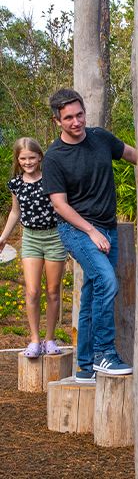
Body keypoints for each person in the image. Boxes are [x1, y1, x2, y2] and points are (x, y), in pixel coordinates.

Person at [42, 89, 137, 383]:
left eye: (79, 114)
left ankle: (84, 365)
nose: (76, 121)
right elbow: (60, 205)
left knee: (93, 291)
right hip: (76, 230)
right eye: (68, 117)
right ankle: (103, 354)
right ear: (57, 121)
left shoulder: (100, 138)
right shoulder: (54, 158)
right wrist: (92, 231)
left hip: (107, 227)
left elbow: (135, 156)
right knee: (107, 281)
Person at [0, 138, 66, 358]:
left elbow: (63, 205)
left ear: (40, 157)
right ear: (18, 160)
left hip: (55, 236)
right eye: (23, 158)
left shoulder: (51, 178)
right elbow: (15, 213)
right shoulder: (16, 184)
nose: (28, 162)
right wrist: (3, 237)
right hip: (31, 239)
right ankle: (35, 340)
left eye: (32, 157)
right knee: (32, 290)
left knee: (53, 291)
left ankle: (50, 339)